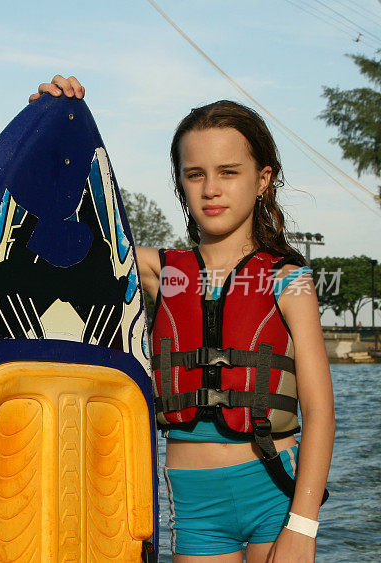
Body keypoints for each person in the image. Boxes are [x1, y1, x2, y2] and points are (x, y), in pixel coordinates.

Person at [32, 76, 334, 563]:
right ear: (180, 182)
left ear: (263, 179)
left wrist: (303, 526)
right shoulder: (158, 270)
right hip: (196, 508)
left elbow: (320, 413)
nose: (211, 189)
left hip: (276, 494)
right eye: (195, 174)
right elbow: (60, 235)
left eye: (229, 172)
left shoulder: (289, 280)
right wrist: (53, 129)